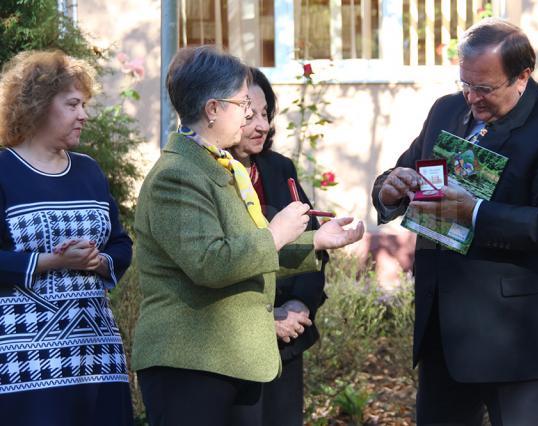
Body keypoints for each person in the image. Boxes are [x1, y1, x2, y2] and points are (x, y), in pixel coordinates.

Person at [371, 18, 538, 425]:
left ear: (522, 76)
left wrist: (471, 211)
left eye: (485, 88)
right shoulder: (446, 108)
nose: (472, 98)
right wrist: (388, 190)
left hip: (518, 342)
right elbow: (406, 171)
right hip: (443, 334)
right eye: (465, 84)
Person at [132, 46, 364, 426]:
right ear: (213, 109)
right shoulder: (177, 175)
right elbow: (210, 262)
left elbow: (243, 253)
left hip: (230, 359)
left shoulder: (217, 166)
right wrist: (275, 234)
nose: (252, 118)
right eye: (242, 104)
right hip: (190, 364)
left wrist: (316, 242)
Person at [0, 50, 134, 425]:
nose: (83, 115)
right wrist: (51, 261)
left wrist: (98, 260)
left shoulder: (89, 172)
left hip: (97, 356)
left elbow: (121, 244)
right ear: (39, 106)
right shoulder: (4, 171)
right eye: (73, 104)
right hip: (26, 364)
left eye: (84, 104)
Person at [227, 68, 328, 425]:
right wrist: (265, 321)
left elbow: (313, 244)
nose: (262, 126)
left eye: (266, 114)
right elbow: (219, 262)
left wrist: (300, 304)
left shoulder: (278, 167)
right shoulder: (208, 176)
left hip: (288, 338)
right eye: (249, 115)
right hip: (232, 344)